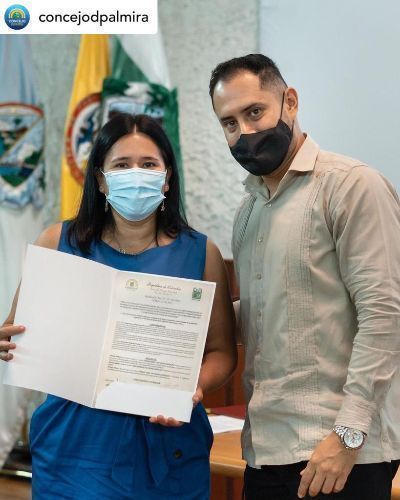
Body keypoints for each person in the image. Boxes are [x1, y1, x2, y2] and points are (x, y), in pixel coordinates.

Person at [0, 113, 237, 499]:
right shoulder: (56, 242)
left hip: (168, 449)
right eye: (122, 165)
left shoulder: (201, 253)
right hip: (74, 449)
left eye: (148, 164)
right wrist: (8, 342)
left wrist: (195, 387)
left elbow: (222, 352)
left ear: (167, 177)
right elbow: (15, 330)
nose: (136, 174)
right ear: (100, 178)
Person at [209, 53, 400, 499]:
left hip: (339, 455)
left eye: (254, 112)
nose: (245, 132)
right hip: (264, 448)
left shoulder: (352, 185)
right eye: (229, 123)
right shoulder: (249, 209)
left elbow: (385, 316)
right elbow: (265, 314)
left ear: (289, 102)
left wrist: (349, 436)